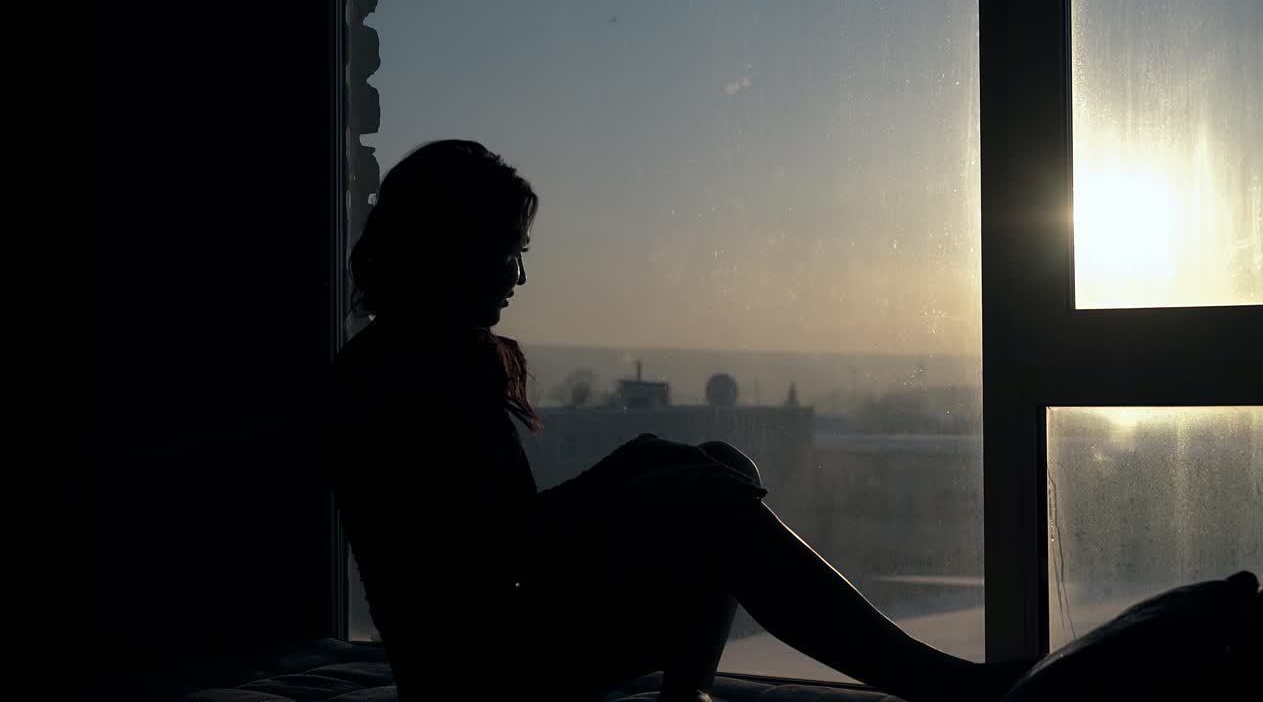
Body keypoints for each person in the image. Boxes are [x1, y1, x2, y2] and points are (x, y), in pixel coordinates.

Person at [330, 140, 1026, 702]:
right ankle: (940, 686)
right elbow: (490, 559)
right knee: (708, 497)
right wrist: (623, 481)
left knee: (722, 465)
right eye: (508, 251)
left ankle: (690, 696)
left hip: (503, 639)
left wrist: (627, 478)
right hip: (473, 674)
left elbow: (501, 541)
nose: (517, 278)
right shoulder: (392, 378)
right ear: (450, 247)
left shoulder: (428, 360)